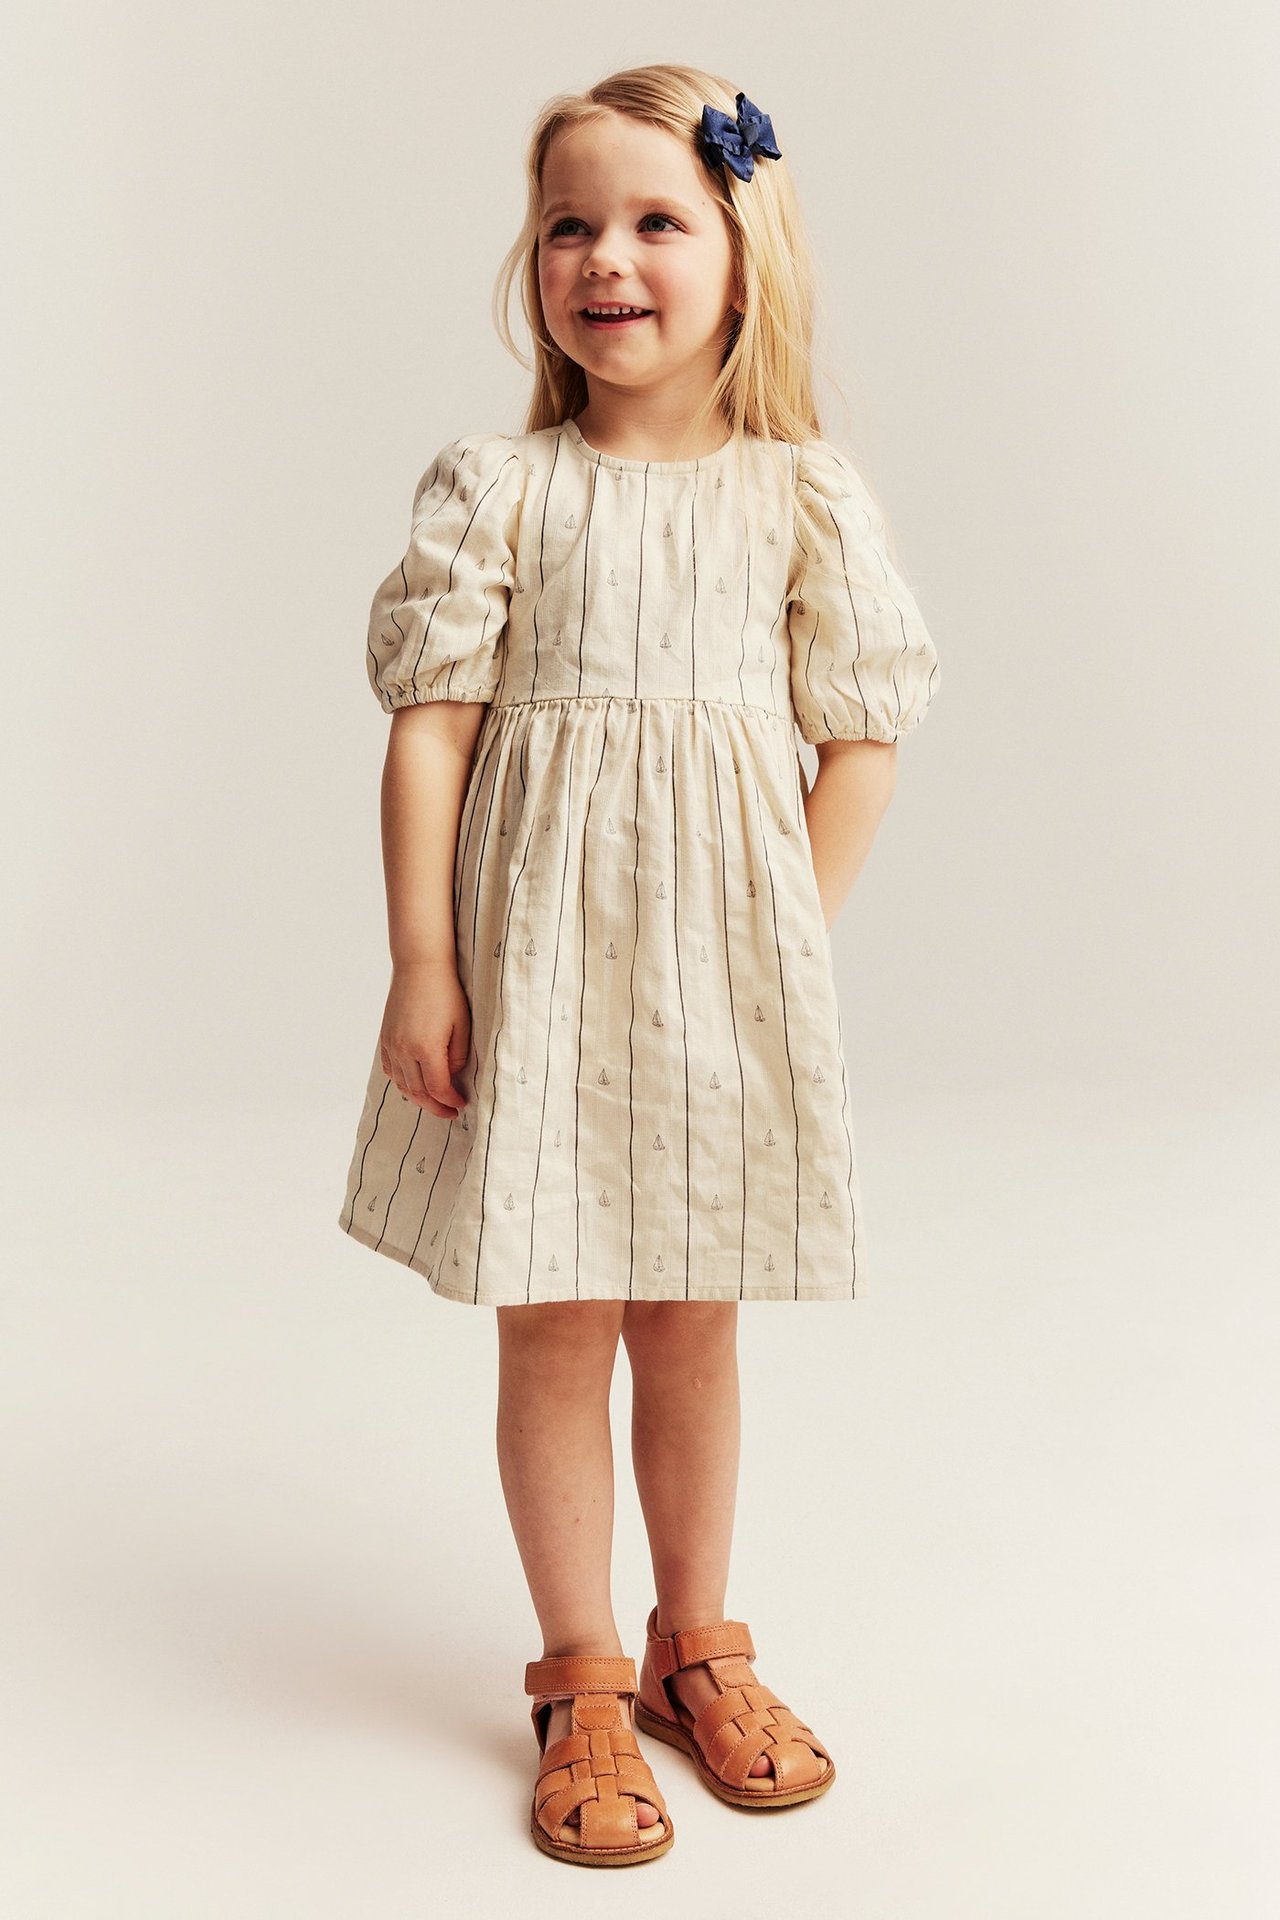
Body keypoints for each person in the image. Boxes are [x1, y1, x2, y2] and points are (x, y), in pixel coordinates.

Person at [337, 64, 940, 1866]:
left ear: (743, 257)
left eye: (657, 220)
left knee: (692, 1317)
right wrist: (424, 965)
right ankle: (581, 1673)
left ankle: (698, 1643)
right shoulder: (501, 488)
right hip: (535, 980)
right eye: (570, 226)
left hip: (719, 999)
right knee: (555, 1321)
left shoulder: (799, 495)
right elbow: (433, 731)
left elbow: (868, 734)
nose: (608, 259)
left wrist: (778, 950)